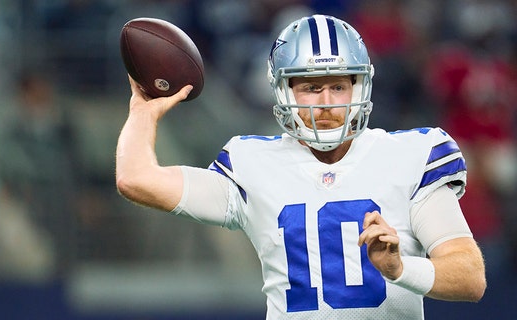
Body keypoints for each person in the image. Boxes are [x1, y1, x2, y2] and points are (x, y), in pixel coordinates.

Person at [115, 14, 486, 319]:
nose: (325, 102)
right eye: (309, 87)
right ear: (283, 91)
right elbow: (137, 179)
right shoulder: (251, 163)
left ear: (360, 87)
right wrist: (142, 113)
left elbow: (470, 277)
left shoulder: (413, 154)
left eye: (338, 86)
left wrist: (401, 269)